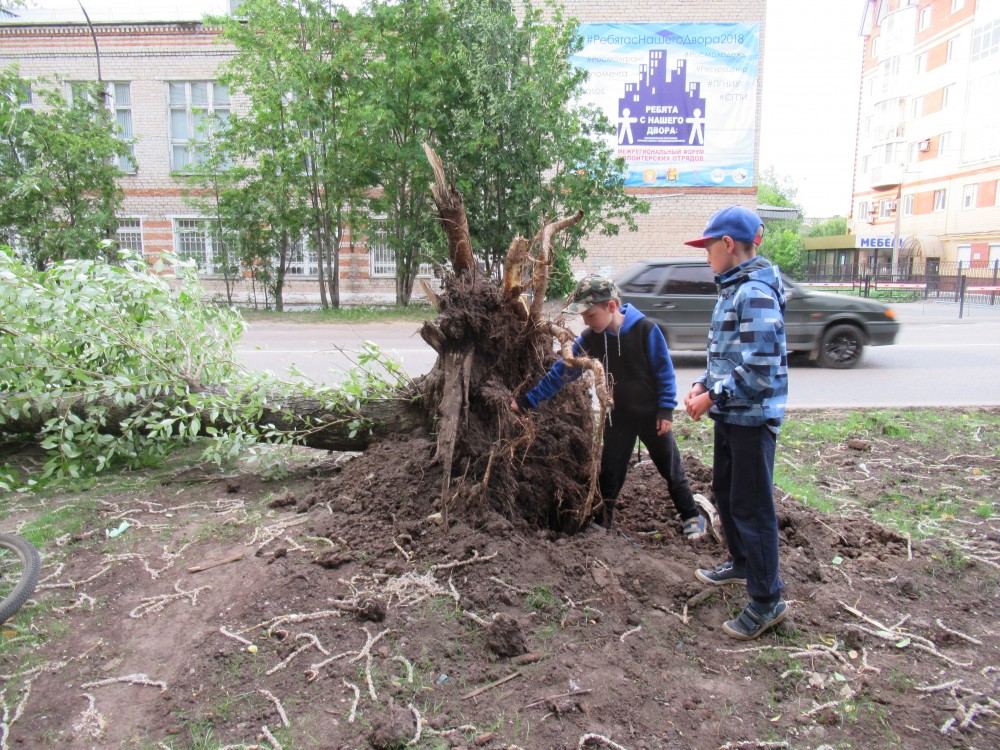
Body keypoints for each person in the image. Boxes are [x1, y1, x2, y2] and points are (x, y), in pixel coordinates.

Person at [511, 275, 706, 540]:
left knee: (670, 467)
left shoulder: (645, 330)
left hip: (652, 417)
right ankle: (603, 522)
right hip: (619, 418)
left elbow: (664, 371)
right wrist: (527, 401)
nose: (586, 322)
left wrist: (665, 410)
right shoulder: (591, 339)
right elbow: (562, 372)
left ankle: (691, 515)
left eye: (591, 315)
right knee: (611, 471)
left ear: (611, 306)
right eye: (583, 316)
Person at [682, 205, 789, 640]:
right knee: (726, 494)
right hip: (731, 414)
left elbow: (759, 368)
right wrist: (702, 383)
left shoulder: (755, 293)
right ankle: (743, 564)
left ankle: (767, 600)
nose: (705, 255)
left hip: (752, 418)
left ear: (728, 244)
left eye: (708, 247)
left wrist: (711, 396)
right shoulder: (732, 289)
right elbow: (727, 358)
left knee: (752, 506)